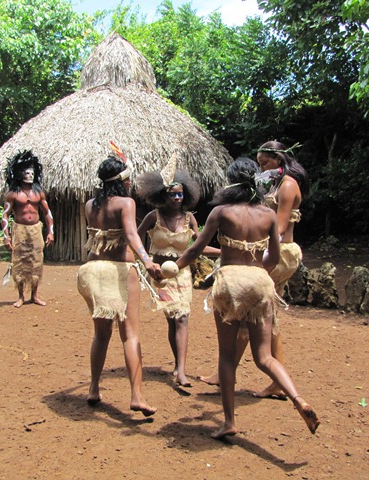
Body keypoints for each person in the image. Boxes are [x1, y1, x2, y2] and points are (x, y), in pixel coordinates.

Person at [175, 157, 319, 439]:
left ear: (230, 182)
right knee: (264, 356)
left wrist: (170, 270)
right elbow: (275, 257)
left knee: (228, 357)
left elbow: (195, 250)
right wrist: (257, 275)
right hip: (260, 281)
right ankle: (297, 398)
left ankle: (229, 422)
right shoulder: (266, 214)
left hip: (230, 281)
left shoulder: (220, 212)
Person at [200, 141, 310, 400]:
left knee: (248, 310)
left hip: (279, 253)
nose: (262, 168)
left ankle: (231, 371)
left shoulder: (288, 185)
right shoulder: (276, 184)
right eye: (259, 164)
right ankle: (269, 378)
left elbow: (279, 229)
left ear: (279, 159)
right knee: (260, 315)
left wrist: (253, 262)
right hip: (268, 252)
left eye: (266, 163)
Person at [77, 156, 162, 416]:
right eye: (128, 179)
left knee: (101, 334)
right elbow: (131, 233)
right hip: (118, 272)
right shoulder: (126, 203)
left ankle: (93, 388)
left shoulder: (91, 204)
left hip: (91, 272)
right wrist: (147, 261)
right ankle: (137, 396)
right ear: (122, 181)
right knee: (130, 334)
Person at [136, 162, 220, 387]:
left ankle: (181, 370)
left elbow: (198, 246)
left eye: (180, 194)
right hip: (160, 278)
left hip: (183, 275)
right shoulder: (153, 217)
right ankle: (177, 364)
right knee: (172, 321)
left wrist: (225, 251)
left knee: (182, 318)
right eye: (173, 194)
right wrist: (145, 263)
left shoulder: (189, 218)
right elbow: (136, 240)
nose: (177, 198)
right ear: (163, 196)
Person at [1, 150, 54, 308]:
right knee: (19, 262)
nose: (30, 175)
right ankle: (21, 296)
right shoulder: (13, 194)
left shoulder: (39, 193)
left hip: (35, 230)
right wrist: (6, 236)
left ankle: (35, 295)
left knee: (36, 262)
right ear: (20, 174)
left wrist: (51, 231)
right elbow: (5, 215)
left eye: (32, 172)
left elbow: (47, 213)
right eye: (27, 172)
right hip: (20, 230)